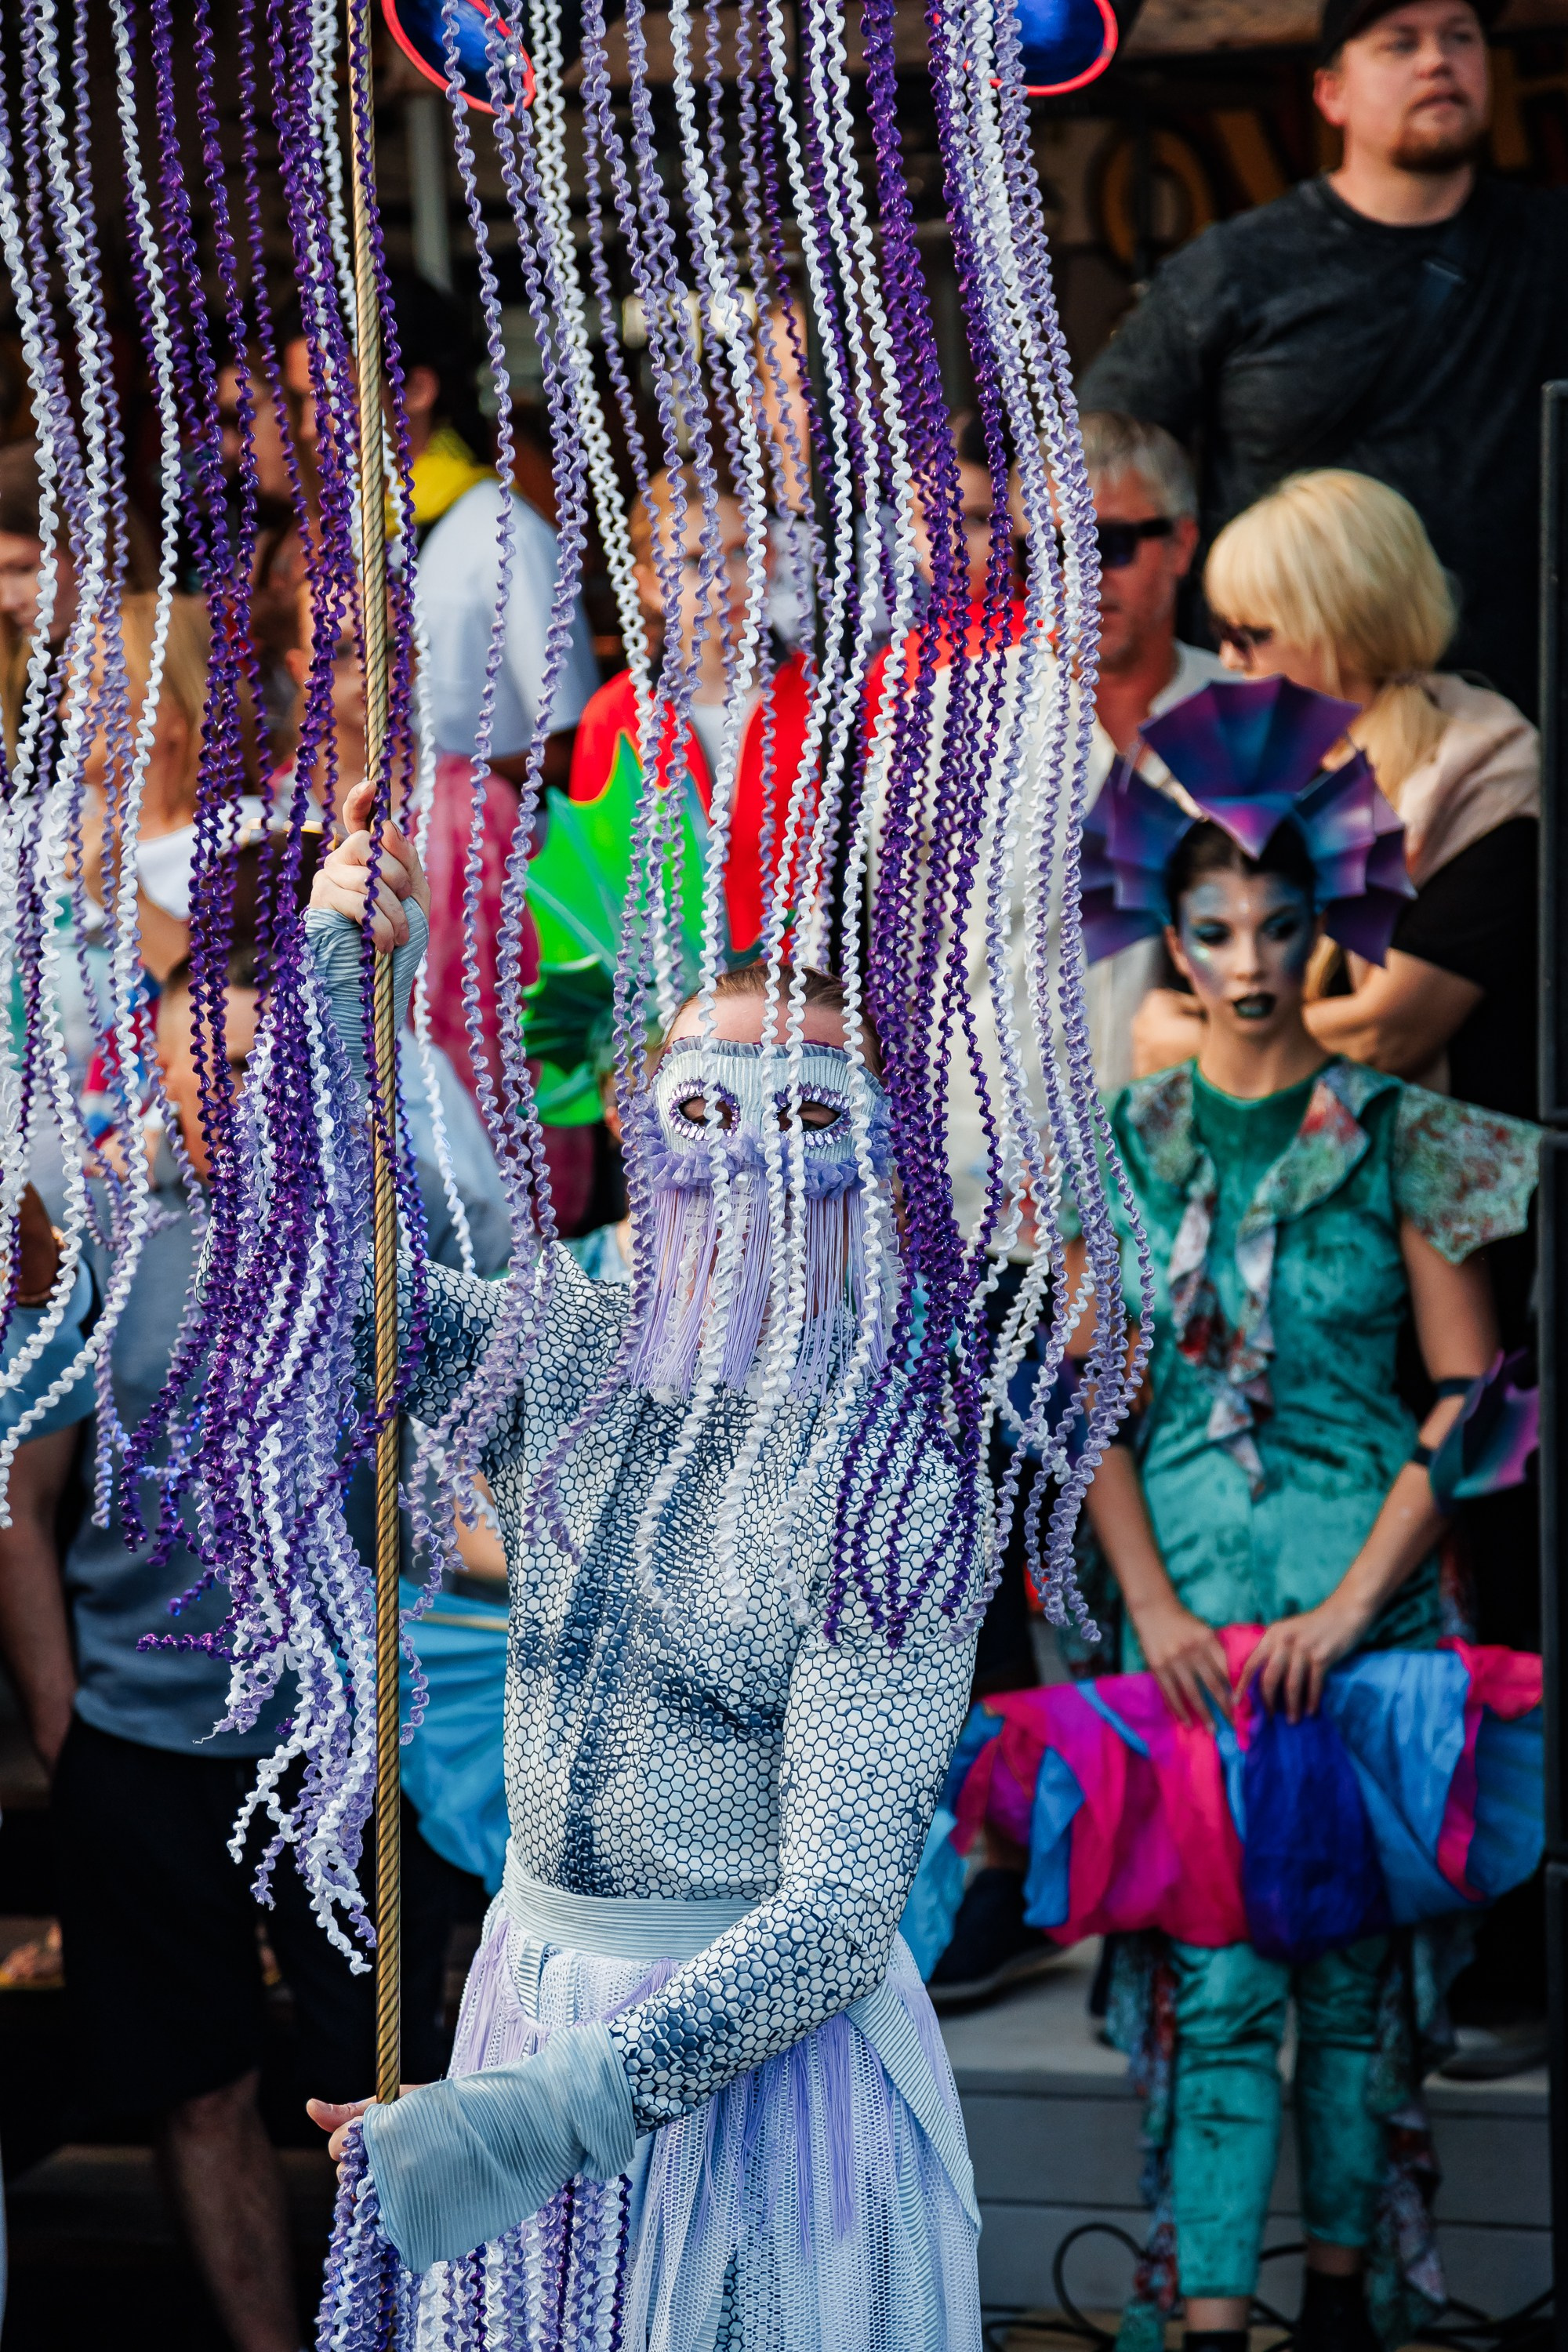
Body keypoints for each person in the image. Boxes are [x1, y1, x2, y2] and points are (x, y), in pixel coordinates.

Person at [298, 782, 983, 2347]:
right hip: (531, 2006)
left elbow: (833, 1918)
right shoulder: (570, 1345)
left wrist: (527, 2123)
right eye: (704, 1111)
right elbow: (339, 1303)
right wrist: (347, 978)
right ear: (632, 1119)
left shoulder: (891, 1473)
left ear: (884, 1155)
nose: (746, 1167)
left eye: (805, 1120)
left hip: (755, 2102)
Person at [944, 676, 1539, 2352]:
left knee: (1351, 1990)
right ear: (1172, 936)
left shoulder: (1409, 1134)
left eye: (1281, 924)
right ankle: (1212, 2323)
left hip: (1368, 1606)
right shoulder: (1111, 1147)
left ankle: (1341, 2308)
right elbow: (1085, 1403)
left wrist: (1352, 1609)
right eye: (1215, 929)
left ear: (1327, 922)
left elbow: (1475, 1394)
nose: (1254, 960)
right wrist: (1149, 1609)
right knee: (1211, 1984)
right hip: (1188, 1615)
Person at [0, 910, 484, 2352]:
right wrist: (63, 1724)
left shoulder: (400, 1227)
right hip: (141, 1741)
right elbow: (20, 1495)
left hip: (354, 1741)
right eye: (196, 1062)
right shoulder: (102, 1233)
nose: (225, 1093)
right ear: (154, 1063)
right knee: (194, 2083)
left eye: (265, 1066)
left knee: (387, 2087)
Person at [1079, 0, 1568, 719]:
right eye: (1399, 43)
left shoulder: (1552, 247)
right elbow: (1100, 456)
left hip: (1507, 714)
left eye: (1460, 37)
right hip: (1284, 718)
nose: (1438, 60)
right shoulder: (1233, 268)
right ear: (1331, 93)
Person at [1132, 470, 1538, 1134]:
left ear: (1337, 626)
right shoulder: (1242, 775)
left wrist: (1195, 1050)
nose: (1227, 658)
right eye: (1219, 630)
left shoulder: (1481, 780)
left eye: (1249, 634)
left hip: (1424, 1175)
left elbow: (1387, 1034)